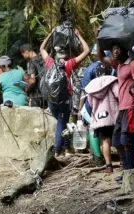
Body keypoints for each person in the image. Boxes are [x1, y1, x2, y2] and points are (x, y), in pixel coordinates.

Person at [98, 42, 134, 190]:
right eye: (113, 49)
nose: (115, 51)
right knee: (117, 140)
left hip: (131, 106)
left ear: (125, 49)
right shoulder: (118, 65)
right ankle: (126, 171)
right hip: (122, 107)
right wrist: (99, 39)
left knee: (127, 140)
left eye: (118, 48)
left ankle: (131, 173)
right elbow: (100, 56)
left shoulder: (133, 64)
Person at [40, 28, 90, 159]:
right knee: (62, 123)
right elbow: (87, 51)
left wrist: (50, 34)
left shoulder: (51, 63)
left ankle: (66, 148)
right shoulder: (68, 65)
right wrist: (79, 35)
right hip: (64, 100)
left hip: (52, 100)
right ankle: (58, 150)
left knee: (61, 123)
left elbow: (42, 49)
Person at [85, 65, 119, 173]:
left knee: (105, 141)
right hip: (113, 116)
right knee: (118, 139)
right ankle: (124, 162)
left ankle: (108, 166)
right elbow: (119, 95)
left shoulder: (92, 87)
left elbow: (89, 103)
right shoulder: (111, 82)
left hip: (100, 119)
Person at [20, 44, 47, 108]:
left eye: (23, 54)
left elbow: (32, 81)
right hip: (46, 95)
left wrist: (27, 90)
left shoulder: (31, 62)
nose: (23, 57)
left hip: (36, 96)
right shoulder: (43, 59)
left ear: (26, 51)